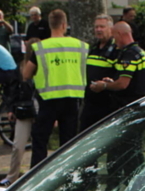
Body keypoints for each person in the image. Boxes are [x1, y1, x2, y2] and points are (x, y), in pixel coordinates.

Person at [21, 9, 88, 168]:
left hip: (48, 100)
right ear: (64, 25)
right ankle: (69, 177)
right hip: (72, 99)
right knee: (68, 143)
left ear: (50, 25)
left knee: (40, 140)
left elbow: (26, 73)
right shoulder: (81, 46)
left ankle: (37, 178)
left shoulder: (41, 48)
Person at [91, 22, 145, 109]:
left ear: (119, 34)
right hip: (138, 102)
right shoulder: (139, 51)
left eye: (114, 37)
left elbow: (123, 84)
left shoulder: (130, 54)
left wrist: (104, 85)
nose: (114, 41)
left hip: (130, 104)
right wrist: (112, 82)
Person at [80, 14, 118, 130]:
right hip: (90, 103)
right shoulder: (93, 48)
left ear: (111, 29)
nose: (98, 30)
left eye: (102, 27)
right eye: (96, 27)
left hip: (108, 103)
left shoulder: (116, 49)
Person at [0, 78, 36, 187]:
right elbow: (13, 90)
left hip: (42, 110)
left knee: (39, 146)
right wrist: (11, 109)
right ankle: (12, 176)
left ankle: (35, 176)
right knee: (18, 146)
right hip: (24, 110)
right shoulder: (20, 69)